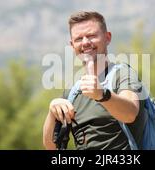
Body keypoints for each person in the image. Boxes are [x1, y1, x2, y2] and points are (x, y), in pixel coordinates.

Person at [42, 11, 146, 150]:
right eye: (79, 39)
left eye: (91, 36)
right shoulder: (72, 93)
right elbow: (51, 146)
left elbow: (130, 113)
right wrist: (51, 112)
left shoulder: (123, 75)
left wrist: (102, 94)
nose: (85, 42)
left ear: (107, 38)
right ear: (72, 45)